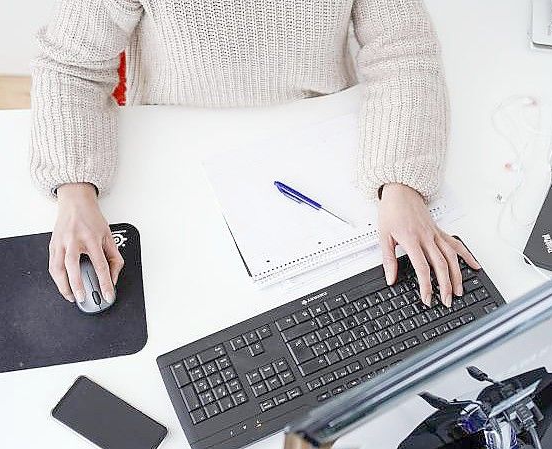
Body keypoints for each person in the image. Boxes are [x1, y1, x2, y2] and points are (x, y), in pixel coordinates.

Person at [30, 0, 480, 311]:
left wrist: (401, 183)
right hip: (177, 149)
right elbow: (71, 64)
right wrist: (75, 190)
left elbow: (402, 50)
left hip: (317, 136)